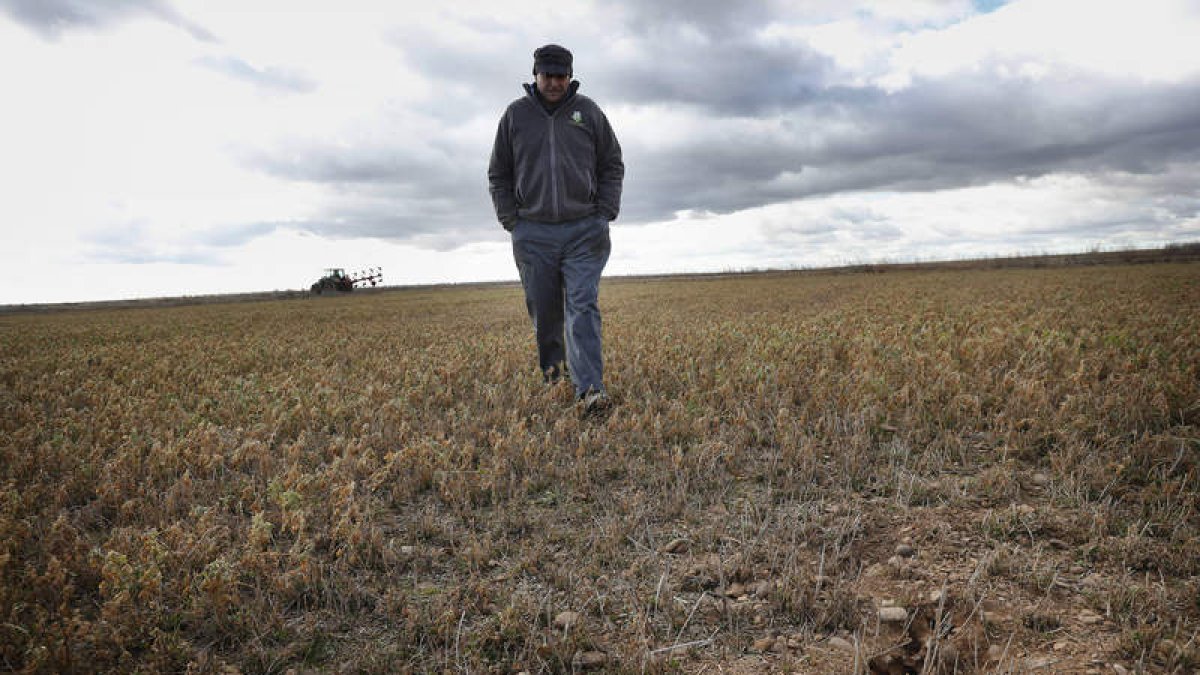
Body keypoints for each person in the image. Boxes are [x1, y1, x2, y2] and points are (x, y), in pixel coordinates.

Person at [488, 44, 624, 416]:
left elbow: (612, 163)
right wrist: (511, 220)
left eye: (560, 76)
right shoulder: (515, 116)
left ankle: (590, 390)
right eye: (547, 75)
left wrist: (605, 212)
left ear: (570, 76)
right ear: (535, 75)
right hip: (533, 233)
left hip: (584, 230)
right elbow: (499, 173)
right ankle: (554, 377)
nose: (553, 82)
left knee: (582, 305)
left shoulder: (589, 113)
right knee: (546, 312)